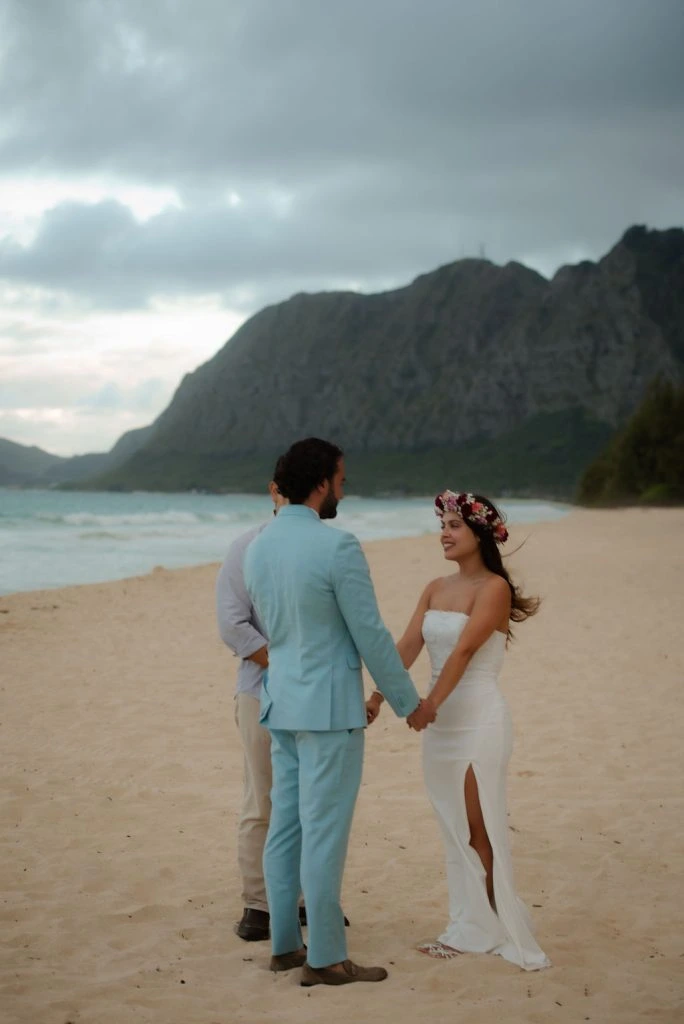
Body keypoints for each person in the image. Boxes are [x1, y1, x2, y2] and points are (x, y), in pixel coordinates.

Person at [243, 437, 435, 987]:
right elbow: (370, 635)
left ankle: (284, 946)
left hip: (280, 702)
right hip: (328, 709)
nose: (343, 492)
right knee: (323, 832)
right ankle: (325, 957)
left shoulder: (257, 548)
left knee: (286, 828)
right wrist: (407, 703)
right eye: (342, 481)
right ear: (322, 482)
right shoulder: (338, 547)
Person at [395, 490, 551, 971]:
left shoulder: (493, 589)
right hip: (439, 722)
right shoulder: (434, 586)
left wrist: (428, 706)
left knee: (476, 825)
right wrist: (382, 695)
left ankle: (483, 930)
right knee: (452, 826)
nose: (444, 532)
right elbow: (408, 644)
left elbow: (462, 652)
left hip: (477, 719)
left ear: (480, 533)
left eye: (454, 525)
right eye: (441, 524)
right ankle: (469, 922)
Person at [215, 473, 287, 941]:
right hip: (260, 690)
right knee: (261, 798)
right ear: (274, 490)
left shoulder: (331, 546)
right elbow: (233, 625)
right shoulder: (246, 546)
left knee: (305, 803)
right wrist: (286, 666)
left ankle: (302, 899)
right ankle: (258, 905)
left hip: (316, 695)